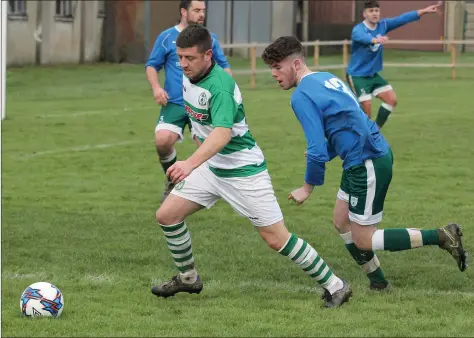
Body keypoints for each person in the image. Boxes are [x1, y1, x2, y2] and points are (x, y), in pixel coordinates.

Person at [150, 24, 353, 308]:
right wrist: (198, 147)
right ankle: (188, 279)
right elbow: (202, 124)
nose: (182, 64)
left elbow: (222, 134)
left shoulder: (219, 85)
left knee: (276, 238)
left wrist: (189, 164)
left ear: (208, 55)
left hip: (243, 171)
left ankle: (337, 285)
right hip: (212, 167)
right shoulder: (190, 76)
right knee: (167, 215)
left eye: (189, 58)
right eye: (179, 57)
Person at [261, 35, 468, 291]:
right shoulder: (328, 78)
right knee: (341, 220)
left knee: (364, 240)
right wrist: (327, 151)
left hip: (366, 161)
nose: (273, 73)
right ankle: (378, 282)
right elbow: (349, 123)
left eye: (277, 67)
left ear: (295, 64)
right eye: (271, 68)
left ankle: (441, 236)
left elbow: (315, 148)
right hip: (365, 155)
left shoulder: (301, 96)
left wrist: (307, 187)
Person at [145, 0, 232, 202]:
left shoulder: (210, 40)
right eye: (197, 10)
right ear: (184, 11)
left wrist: (228, 92)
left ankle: (211, 189)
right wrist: (157, 88)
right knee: (162, 141)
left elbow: (224, 67)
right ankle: (173, 179)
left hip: (202, 104)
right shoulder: (166, 37)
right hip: (174, 103)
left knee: (207, 147)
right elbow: (152, 65)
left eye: (203, 11)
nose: (201, 14)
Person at [346, 0, 441, 128]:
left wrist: (423, 11)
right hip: (357, 76)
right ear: (364, 14)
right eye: (371, 11)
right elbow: (362, 37)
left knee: (391, 100)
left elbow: (402, 19)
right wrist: (375, 40)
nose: (374, 13)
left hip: (372, 75)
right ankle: (350, 136)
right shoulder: (358, 29)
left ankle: (375, 132)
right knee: (366, 109)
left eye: (376, 10)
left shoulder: (383, 25)